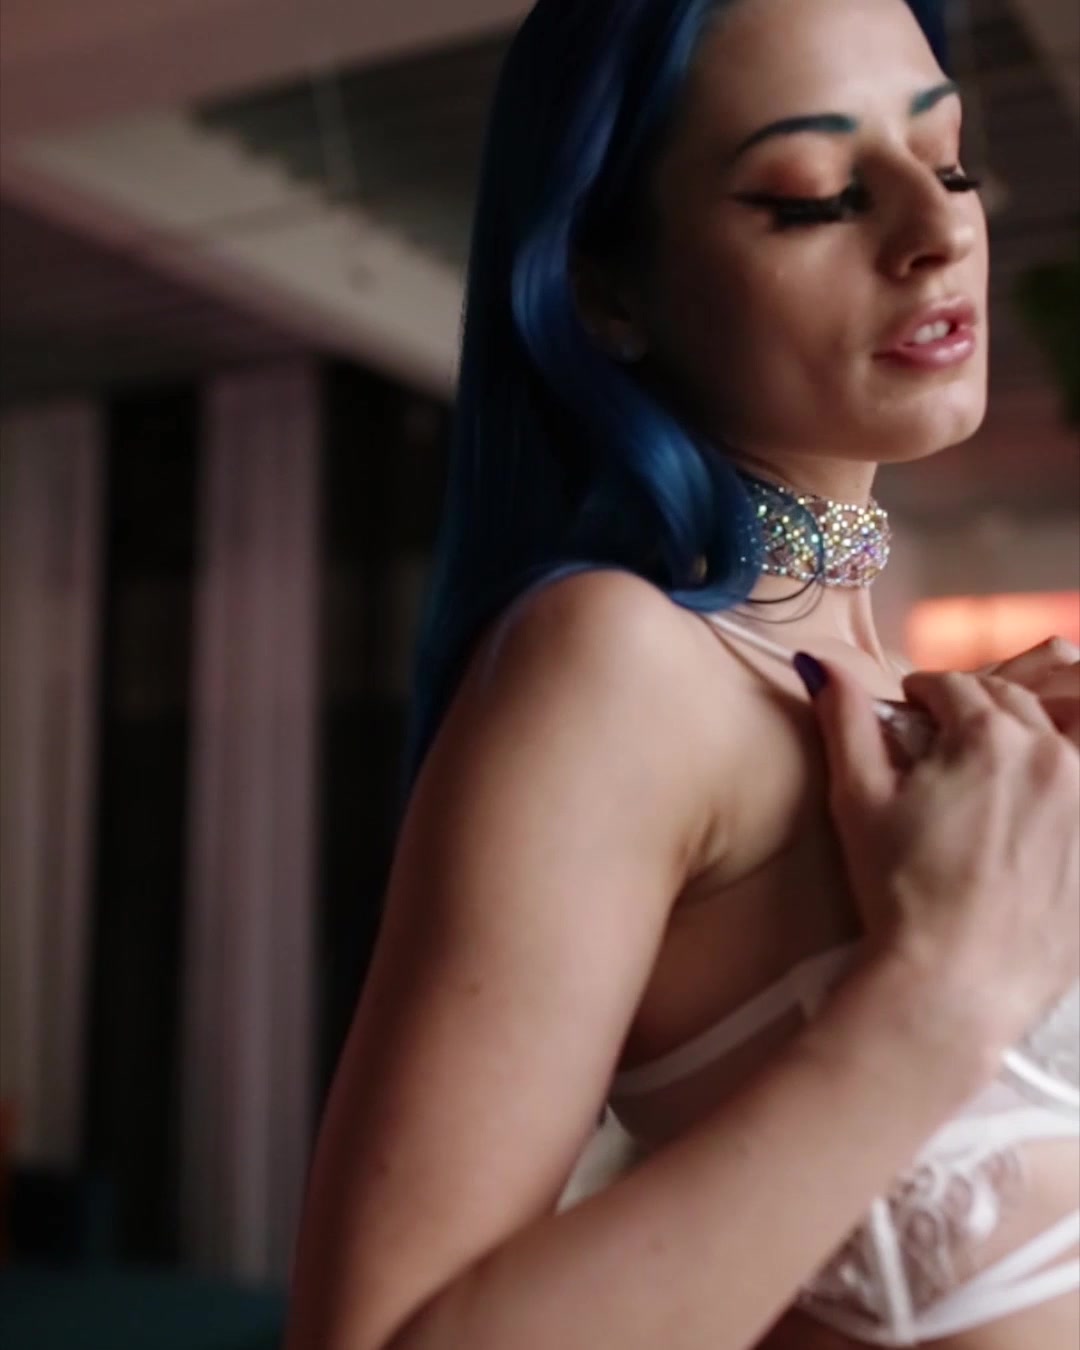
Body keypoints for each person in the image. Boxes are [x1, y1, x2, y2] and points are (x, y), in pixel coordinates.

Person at [284, 1, 1080, 1347]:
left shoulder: (928, 715)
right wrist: (936, 1000)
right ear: (609, 290)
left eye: (947, 159)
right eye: (815, 193)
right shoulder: (620, 663)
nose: (938, 230)